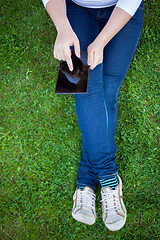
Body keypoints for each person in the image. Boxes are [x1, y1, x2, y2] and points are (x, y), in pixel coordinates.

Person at [42, 0, 144, 231]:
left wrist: (100, 42)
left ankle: (86, 179)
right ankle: (109, 178)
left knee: (106, 89)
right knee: (82, 83)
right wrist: (62, 27)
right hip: (74, 9)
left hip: (122, 11)